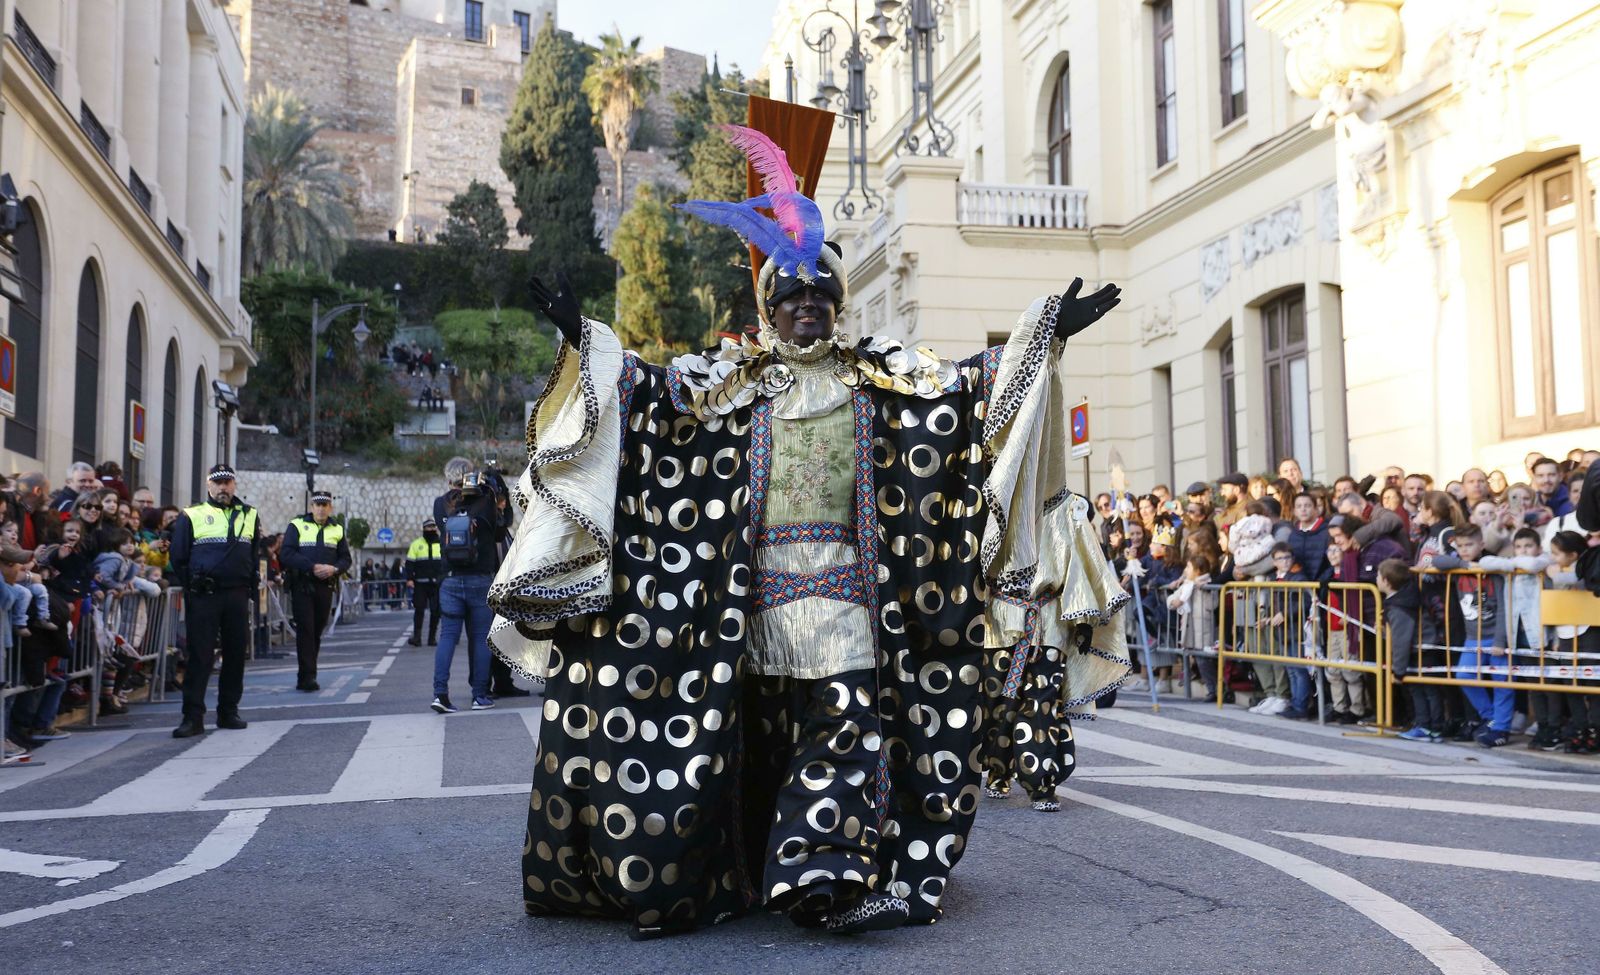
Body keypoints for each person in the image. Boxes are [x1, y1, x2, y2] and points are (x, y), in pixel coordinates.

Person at [491, 126, 1128, 938]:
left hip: (848, 605)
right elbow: (648, 398)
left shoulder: (883, 382)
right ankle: (748, 867)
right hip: (742, 611)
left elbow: (968, 390)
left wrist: (1045, 332)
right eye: (789, 297)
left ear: (837, 302)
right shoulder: (729, 386)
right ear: (768, 310)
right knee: (749, 741)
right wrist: (586, 339)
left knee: (846, 731)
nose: (805, 308)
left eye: (818, 296)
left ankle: (823, 879)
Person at [169, 464, 260, 738]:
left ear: (234, 485)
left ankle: (228, 711)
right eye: (218, 482)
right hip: (204, 595)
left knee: (235, 654)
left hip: (237, 593)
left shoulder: (250, 514)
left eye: (228, 482)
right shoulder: (192, 514)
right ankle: (192, 717)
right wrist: (194, 585)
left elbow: (254, 554)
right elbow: (178, 556)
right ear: (208, 485)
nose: (223, 487)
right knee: (201, 656)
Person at [430, 460, 505, 714]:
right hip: (480, 578)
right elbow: (499, 531)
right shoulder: (485, 500)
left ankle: (440, 694)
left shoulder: (440, 503)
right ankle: (479, 695)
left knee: (447, 636)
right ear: (472, 475)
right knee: (480, 638)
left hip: (450, 579)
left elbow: (444, 528)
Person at [1429, 526, 1514, 747]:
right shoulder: (1460, 567)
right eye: (1461, 546)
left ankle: (1501, 728)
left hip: (1495, 635)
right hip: (1472, 637)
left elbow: (1504, 607)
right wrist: (1465, 564)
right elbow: (1437, 562)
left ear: (1481, 545)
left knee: (1502, 682)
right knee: (1463, 676)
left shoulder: (1492, 569)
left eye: (1470, 545)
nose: (1465, 550)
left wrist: (1500, 640)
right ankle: (1490, 716)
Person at [280, 490, 352, 692]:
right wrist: (311, 566)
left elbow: (346, 558)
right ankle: (307, 677)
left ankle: (308, 672)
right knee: (306, 630)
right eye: (317, 505)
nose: (321, 509)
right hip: (303, 585)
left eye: (325, 505)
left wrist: (334, 569)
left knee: (317, 630)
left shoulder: (337, 529)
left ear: (330, 507)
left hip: (325, 586)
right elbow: (286, 553)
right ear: (311, 507)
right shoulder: (296, 525)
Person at [1546, 531, 1598, 753]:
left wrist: (1553, 572)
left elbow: (1576, 579)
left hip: (1588, 632)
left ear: (1574, 555)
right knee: (1571, 685)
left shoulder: (1589, 567)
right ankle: (1580, 729)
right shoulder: (1556, 568)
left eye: (1556, 554)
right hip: (1565, 633)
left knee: (1593, 685)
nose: (1552, 558)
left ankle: (1596, 731)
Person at [404, 518, 443, 646]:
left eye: (433, 527)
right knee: (419, 610)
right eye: (428, 527)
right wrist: (409, 578)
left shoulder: (441, 544)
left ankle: (432, 638)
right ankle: (417, 637)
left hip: (437, 584)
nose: (431, 529)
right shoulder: (416, 544)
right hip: (420, 584)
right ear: (424, 529)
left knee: (435, 611)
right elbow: (410, 564)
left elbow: (446, 563)